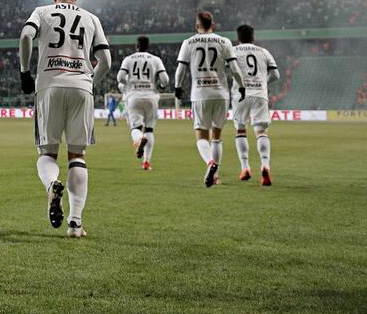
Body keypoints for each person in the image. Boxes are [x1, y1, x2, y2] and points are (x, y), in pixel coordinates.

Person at [19, 0, 110, 238]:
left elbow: (25, 36)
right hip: (81, 86)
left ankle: (51, 185)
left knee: (47, 153)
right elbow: (106, 59)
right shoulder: (91, 18)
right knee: (77, 155)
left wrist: (25, 72)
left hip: (48, 85)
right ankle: (75, 223)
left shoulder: (42, 12)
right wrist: (90, 81)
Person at [174, 11, 245, 187]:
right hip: (221, 94)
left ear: (196, 25)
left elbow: (181, 69)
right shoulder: (224, 41)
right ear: (213, 25)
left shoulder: (188, 42)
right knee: (217, 137)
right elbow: (234, 68)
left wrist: (177, 87)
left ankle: (210, 163)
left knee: (201, 136)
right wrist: (242, 86)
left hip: (200, 94)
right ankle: (216, 176)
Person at [231, 25, 279, 186]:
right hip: (259, 94)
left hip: (240, 94)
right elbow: (276, 74)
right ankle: (265, 166)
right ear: (253, 37)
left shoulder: (233, 51)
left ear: (238, 38)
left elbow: (227, 70)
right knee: (261, 132)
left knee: (240, 130)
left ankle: (245, 168)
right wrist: (263, 83)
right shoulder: (263, 52)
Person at [116, 36, 168, 170]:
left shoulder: (128, 59)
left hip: (133, 97)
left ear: (136, 46)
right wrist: (161, 86)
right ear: (148, 47)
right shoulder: (156, 59)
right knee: (149, 129)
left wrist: (128, 84)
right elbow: (165, 80)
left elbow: (120, 78)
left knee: (135, 128)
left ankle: (139, 140)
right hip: (151, 96)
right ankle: (146, 162)